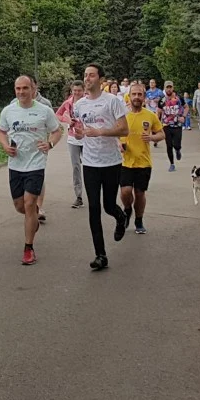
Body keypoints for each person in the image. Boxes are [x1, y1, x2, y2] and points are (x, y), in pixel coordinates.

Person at [69, 63, 130, 271]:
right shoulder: (80, 105)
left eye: (91, 75)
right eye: (85, 75)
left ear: (101, 79)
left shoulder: (112, 101)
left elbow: (124, 130)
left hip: (111, 162)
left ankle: (120, 217)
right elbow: (80, 132)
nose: (87, 79)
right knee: (93, 208)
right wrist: (79, 133)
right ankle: (100, 255)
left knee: (108, 206)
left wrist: (101, 131)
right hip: (90, 163)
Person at [0, 75, 63, 266]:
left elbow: (57, 130)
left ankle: (28, 248)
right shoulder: (8, 110)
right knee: (20, 206)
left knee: (28, 203)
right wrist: (5, 146)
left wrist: (50, 143)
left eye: (25, 88)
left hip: (36, 163)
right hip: (15, 164)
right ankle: (33, 216)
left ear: (33, 89)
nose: (21, 92)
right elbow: (1, 131)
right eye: (18, 88)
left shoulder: (44, 110)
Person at [119, 83, 164, 234]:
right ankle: (127, 209)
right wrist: (118, 143)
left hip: (143, 162)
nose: (137, 97)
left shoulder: (150, 115)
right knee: (125, 191)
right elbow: (112, 134)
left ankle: (139, 220)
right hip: (124, 161)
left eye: (140, 94)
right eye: (134, 94)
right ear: (129, 96)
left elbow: (161, 134)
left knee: (139, 193)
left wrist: (151, 137)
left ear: (144, 97)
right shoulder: (122, 115)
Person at [56, 81, 87, 209]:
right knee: (76, 167)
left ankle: (92, 193)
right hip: (72, 138)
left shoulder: (88, 102)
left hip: (87, 138)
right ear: (71, 90)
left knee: (89, 166)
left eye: (79, 90)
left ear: (84, 90)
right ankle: (78, 196)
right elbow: (58, 114)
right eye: (75, 90)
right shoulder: (68, 103)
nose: (77, 93)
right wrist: (68, 120)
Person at [158, 81, 185, 172]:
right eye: (167, 87)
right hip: (166, 125)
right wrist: (157, 123)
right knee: (169, 145)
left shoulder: (178, 98)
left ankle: (177, 150)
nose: (169, 89)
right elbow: (158, 111)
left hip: (177, 125)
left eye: (170, 87)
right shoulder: (162, 100)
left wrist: (183, 116)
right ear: (164, 88)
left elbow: (186, 107)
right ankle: (172, 164)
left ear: (173, 88)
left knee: (176, 145)